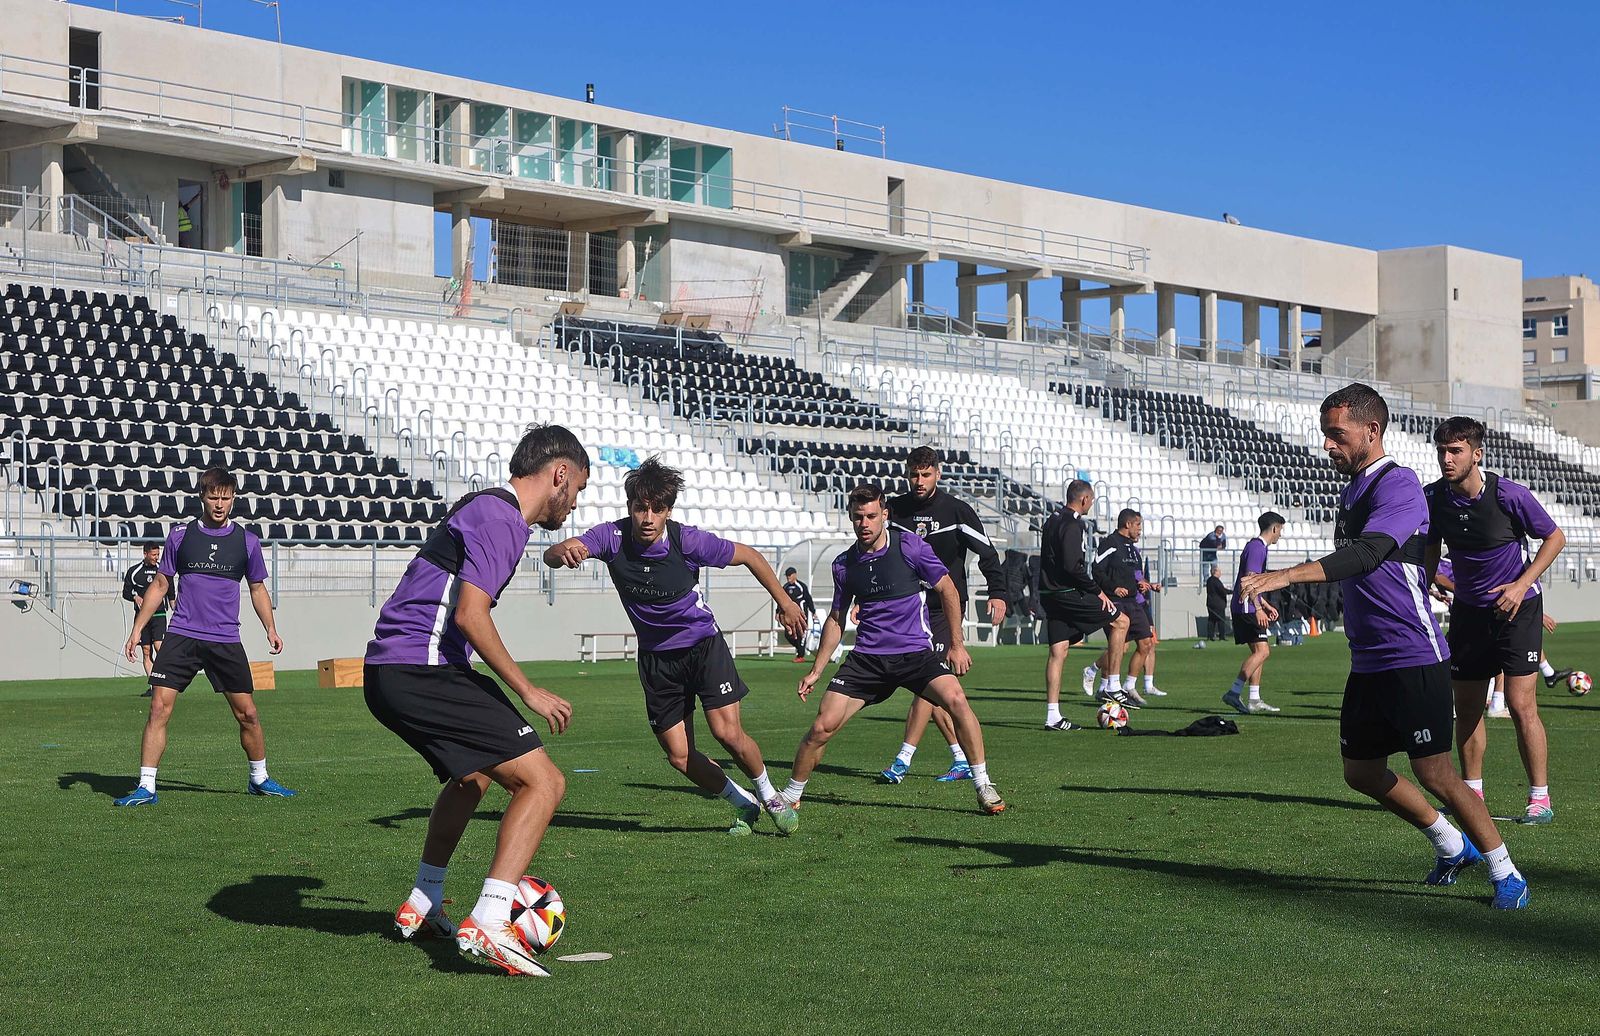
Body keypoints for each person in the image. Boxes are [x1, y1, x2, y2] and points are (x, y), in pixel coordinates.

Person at [1239, 383, 1527, 909]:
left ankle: (1505, 870)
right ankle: (1448, 843)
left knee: (1435, 771)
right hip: (1369, 658)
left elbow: (1370, 554)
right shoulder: (1351, 491)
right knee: (1361, 772)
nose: (1328, 445)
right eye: (1326, 434)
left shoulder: (1399, 483)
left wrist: (1283, 578)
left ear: (1371, 431)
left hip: (1413, 652)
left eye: (1337, 434)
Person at [365, 425, 586, 977]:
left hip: (391, 672)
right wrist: (528, 690)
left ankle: (424, 899)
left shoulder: (485, 509)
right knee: (544, 782)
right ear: (559, 473)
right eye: (578, 488)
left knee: (473, 777)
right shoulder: (503, 519)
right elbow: (470, 614)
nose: (575, 502)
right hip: (422, 668)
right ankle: (490, 920)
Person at [544, 457, 805, 836]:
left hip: (702, 646)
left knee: (727, 733)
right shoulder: (611, 539)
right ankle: (743, 803)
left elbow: (748, 555)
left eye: (657, 509)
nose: (648, 517)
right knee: (680, 756)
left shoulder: (688, 540)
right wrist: (562, 552)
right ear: (630, 506)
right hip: (656, 661)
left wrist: (785, 601)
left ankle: (769, 795)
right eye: (640, 508)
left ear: (668, 511)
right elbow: (556, 553)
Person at [781, 483, 1005, 815]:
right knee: (821, 726)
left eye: (872, 516)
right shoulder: (844, 564)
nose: (865, 523)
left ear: (884, 515)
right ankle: (789, 795)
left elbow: (948, 590)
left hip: (915, 654)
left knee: (957, 700)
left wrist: (957, 644)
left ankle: (983, 784)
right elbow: (837, 618)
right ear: (850, 518)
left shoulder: (911, 547)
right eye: (858, 517)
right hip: (868, 660)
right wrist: (817, 670)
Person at [114, 468, 292, 807]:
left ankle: (260, 778)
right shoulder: (180, 537)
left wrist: (270, 627)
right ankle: (146, 786)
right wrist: (137, 629)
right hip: (181, 634)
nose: (220, 504)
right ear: (202, 496)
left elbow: (257, 588)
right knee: (158, 708)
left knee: (248, 714)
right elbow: (161, 585)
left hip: (224, 638)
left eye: (226, 497)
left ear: (234, 498)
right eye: (214, 497)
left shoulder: (246, 541)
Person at [1423, 416, 1566, 825]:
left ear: (1476, 454)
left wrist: (1521, 585)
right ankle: (1471, 795)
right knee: (1467, 709)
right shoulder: (1434, 497)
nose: (1447, 459)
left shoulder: (1509, 494)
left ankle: (1539, 798)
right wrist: (1424, 585)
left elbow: (1554, 537)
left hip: (1519, 609)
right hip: (1468, 612)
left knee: (1521, 706)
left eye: (1456, 451)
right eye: (1442, 451)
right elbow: (1431, 547)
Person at [878, 445, 1006, 783]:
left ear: (937, 474)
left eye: (925, 474)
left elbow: (987, 554)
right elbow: (879, 554)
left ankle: (902, 760)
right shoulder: (895, 510)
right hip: (907, 608)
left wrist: (998, 593)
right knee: (931, 686)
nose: (919, 481)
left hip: (943, 609)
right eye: (914, 475)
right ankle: (960, 758)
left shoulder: (956, 511)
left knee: (928, 678)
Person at [1042, 480, 1130, 729]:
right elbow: (1072, 566)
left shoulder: (1052, 519)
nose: (1091, 504)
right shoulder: (1072, 523)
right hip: (1068, 592)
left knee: (1058, 652)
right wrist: (1096, 591)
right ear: (1083, 500)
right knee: (1121, 621)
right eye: (1091, 500)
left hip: (1049, 593)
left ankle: (1052, 716)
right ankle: (1112, 684)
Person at [1082, 509, 1164, 702]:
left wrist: (1147, 585)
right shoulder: (1109, 543)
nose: (1140, 530)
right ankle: (1097, 674)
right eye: (1138, 526)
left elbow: (1136, 575)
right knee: (1121, 648)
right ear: (1128, 525)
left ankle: (1128, 685)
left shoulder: (1133, 550)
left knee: (1147, 643)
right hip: (1114, 602)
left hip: (1134, 603)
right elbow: (1096, 570)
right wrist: (1113, 587)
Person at [1223, 512, 1286, 715]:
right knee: (1263, 652)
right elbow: (1249, 580)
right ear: (1274, 528)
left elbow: (1253, 584)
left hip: (1248, 605)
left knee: (1259, 653)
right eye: (1280, 530)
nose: (1280, 535)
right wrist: (1258, 609)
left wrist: (1265, 605)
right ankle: (1233, 692)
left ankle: (1254, 699)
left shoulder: (1257, 547)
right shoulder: (1257, 548)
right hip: (1247, 608)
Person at [121, 541, 174, 694]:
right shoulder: (134, 571)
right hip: (142, 617)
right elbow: (126, 592)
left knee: (159, 646)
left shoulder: (162, 570)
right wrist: (135, 597)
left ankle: (165, 681)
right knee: (146, 650)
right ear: (145, 554)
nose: (156, 557)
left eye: (158, 554)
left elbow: (170, 589)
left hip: (158, 614)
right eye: (153, 555)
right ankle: (154, 687)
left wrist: (173, 604)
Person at [780, 566, 817, 661]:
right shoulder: (786, 587)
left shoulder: (801, 586)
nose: (788, 578)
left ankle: (800, 656)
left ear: (795, 575)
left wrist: (813, 612)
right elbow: (781, 600)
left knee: (801, 634)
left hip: (801, 615)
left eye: (790, 576)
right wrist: (778, 612)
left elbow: (808, 599)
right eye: (787, 576)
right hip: (789, 616)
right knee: (788, 635)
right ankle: (800, 648)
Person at [1204, 564, 1230, 643]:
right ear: (1215, 572)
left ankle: (1210, 636)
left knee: (1211, 620)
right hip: (1218, 604)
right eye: (1219, 571)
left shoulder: (1209, 581)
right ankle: (1221, 636)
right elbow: (1222, 591)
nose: (1220, 573)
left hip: (1210, 603)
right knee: (1220, 620)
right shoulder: (1216, 581)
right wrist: (1231, 592)